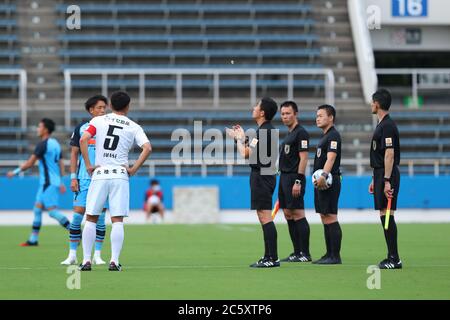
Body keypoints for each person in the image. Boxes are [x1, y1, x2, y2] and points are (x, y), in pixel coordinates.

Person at [78, 91, 152, 271]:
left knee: (91, 218)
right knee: (117, 219)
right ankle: (114, 261)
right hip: (120, 173)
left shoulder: (98, 121)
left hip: (100, 172)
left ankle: (86, 261)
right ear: (128, 106)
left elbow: (83, 139)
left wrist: (88, 164)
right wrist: (133, 169)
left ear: (110, 105)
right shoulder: (133, 126)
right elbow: (147, 148)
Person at [227, 97, 279, 268]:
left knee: (265, 216)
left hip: (262, 176)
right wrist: (242, 137)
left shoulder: (264, 131)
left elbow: (246, 153)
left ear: (262, 112)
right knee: (263, 215)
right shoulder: (264, 130)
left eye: (257, 105)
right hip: (265, 175)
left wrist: (237, 139)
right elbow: (252, 148)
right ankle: (269, 256)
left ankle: (271, 258)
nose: (254, 107)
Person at [61, 95, 108, 266]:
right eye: (99, 107)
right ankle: (72, 254)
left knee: (100, 218)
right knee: (77, 216)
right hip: (84, 178)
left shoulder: (110, 127)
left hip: (103, 178)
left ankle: (97, 255)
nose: (103, 110)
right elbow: (74, 154)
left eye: (105, 107)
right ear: (91, 110)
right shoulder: (82, 128)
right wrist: (73, 177)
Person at [6, 118, 69, 246]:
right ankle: (33, 240)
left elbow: (30, 163)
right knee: (37, 209)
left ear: (45, 129)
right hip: (50, 182)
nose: (37, 129)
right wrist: (61, 181)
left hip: (48, 183)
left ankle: (75, 232)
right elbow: (60, 162)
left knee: (52, 211)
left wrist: (14, 172)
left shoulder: (43, 144)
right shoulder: (55, 143)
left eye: (39, 127)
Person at [369, 88, 402, 269]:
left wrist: (387, 180)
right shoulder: (382, 124)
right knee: (384, 214)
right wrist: (375, 179)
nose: (371, 105)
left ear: (378, 104)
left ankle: (394, 258)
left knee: (387, 214)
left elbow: (389, 154)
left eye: (372, 102)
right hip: (381, 173)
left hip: (387, 174)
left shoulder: (387, 125)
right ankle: (391, 256)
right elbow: (381, 155)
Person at [278, 101, 311, 263]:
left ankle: (305, 253)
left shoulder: (301, 133)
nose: (285, 117)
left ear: (295, 114)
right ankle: (296, 251)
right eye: (282, 114)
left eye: (288, 113)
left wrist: (298, 180)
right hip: (284, 177)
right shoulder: (289, 134)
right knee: (287, 213)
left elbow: (304, 158)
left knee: (298, 213)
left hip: (293, 177)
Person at [311, 105, 343, 265]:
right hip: (321, 183)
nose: (317, 118)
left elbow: (331, 158)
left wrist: (323, 175)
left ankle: (335, 256)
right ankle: (328, 253)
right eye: (317, 116)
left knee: (330, 216)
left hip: (329, 181)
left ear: (331, 118)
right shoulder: (325, 136)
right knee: (324, 216)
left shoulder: (333, 136)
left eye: (321, 115)